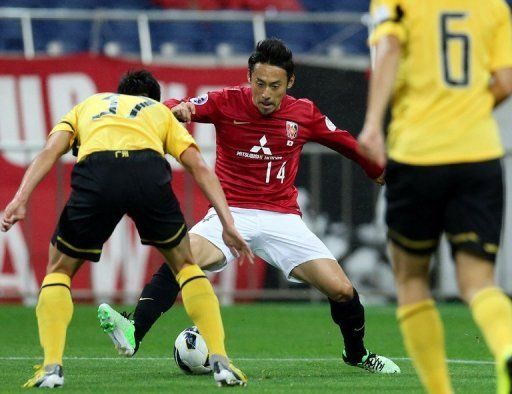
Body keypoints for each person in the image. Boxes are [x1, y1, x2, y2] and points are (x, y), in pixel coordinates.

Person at [100, 38, 401, 375]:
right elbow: (182, 104)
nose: (266, 94)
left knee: (343, 291)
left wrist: (377, 169)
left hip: (282, 219)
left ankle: (357, 354)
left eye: (275, 86)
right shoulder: (226, 101)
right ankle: (133, 330)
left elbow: (345, 141)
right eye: (259, 84)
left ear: (290, 82)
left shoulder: (304, 113)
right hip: (231, 215)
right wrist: (178, 108)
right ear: (249, 78)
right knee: (181, 259)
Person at [0, 70, 254, 388]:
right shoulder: (158, 112)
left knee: (59, 271)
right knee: (186, 266)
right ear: (152, 97)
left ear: (118, 92)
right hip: (147, 172)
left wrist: (20, 199)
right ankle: (221, 362)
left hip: (97, 173)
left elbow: (50, 151)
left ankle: (52, 368)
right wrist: (227, 223)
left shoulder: (89, 105)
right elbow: (198, 165)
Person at [358, 1, 512, 393]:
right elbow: (506, 80)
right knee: (479, 283)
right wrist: (469, 111)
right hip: (479, 155)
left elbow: (389, 48)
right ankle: (507, 347)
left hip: (418, 154)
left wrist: (373, 124)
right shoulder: (494, 6)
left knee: (411, 279)